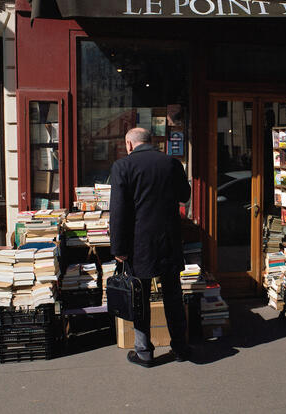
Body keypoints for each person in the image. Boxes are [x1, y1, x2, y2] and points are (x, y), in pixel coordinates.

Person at [109, 127, 191, 368]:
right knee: (173, 296)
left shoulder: (122, 167)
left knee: (139, 297)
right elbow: (184, 196)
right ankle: (180, 347)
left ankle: (144, 352)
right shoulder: (171, 163)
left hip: (138, 243)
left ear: (129, 144)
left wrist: (118, 247)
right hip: (169, 240)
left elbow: (119, 212)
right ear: (150, 142)